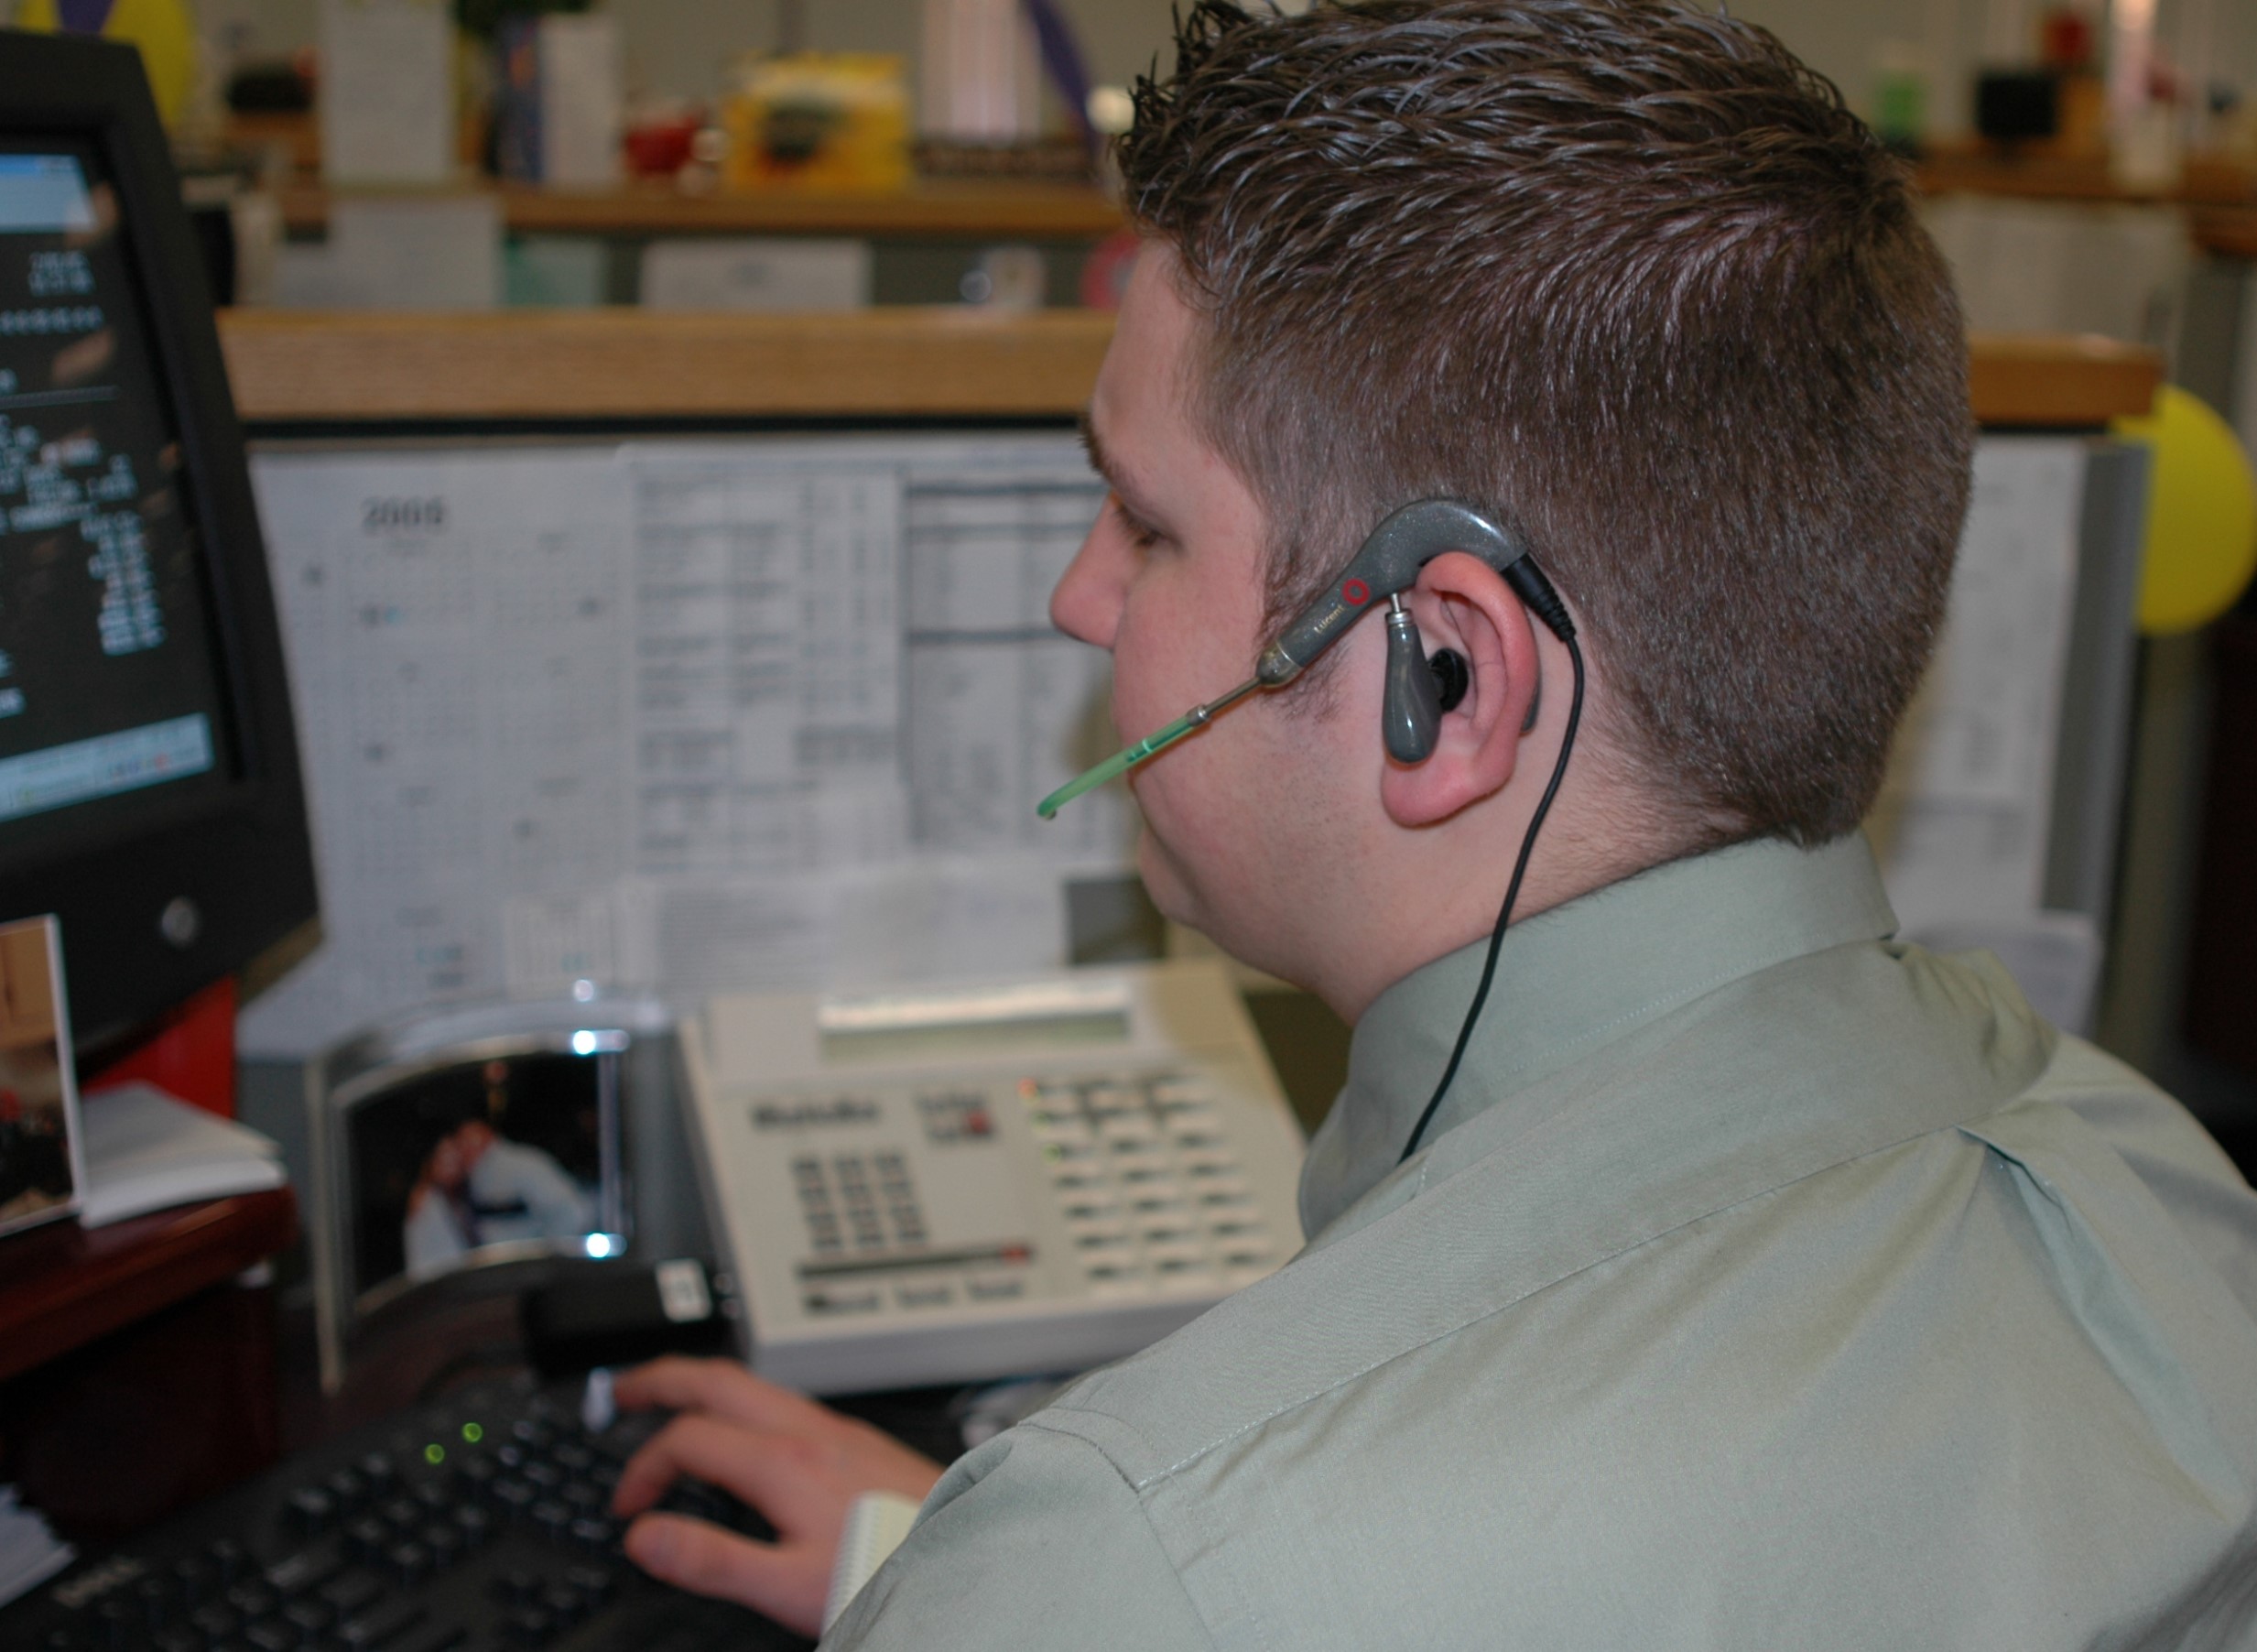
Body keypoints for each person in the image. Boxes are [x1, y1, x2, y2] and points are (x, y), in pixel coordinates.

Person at [607, 3, 2257, 1644]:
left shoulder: (1137, 1560)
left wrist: (1005, 1594)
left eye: (1144, 523)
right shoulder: (2170, 1202)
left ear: (1445, 679)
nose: (1078, 596)